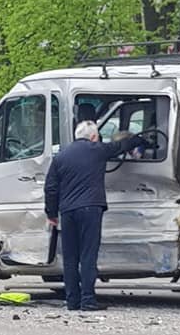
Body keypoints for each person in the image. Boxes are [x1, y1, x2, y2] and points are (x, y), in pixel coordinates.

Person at [44, 120, 147, 312]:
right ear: (93, 136)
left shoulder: (61, 156)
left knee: (70, 258)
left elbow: (50, 187)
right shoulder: (98, 150)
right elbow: (121, 145)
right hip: (91, 209)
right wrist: (139, 139)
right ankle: (88, 300)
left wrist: (51, 213)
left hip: (67, 211)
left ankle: (72, 301)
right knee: (88, 255)